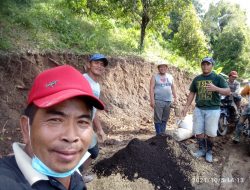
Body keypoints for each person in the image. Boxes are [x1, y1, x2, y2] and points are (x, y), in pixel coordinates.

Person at [0, 65, 104, 189]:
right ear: (26, 128)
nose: (71, 137)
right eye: (55, 120)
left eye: (82, 122)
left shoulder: (74, 176)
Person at [182, 57, 230, 163]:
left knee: (211, 133)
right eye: (203, 64)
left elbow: (227, 91)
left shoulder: (218, 78)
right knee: (198, 132)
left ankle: (209, 151)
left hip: (213, 110)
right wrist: (186, 107)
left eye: (208, 64)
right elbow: (192, 93)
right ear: (201, 66)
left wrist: (216, 89)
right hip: (199, 109)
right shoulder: (197, 79)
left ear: (212, 66)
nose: (205, 66)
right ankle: (202, 149)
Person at [80, 53, 108, 183]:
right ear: (89, 64)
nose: (99, 66)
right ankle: (72, 178)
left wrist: (100, 129)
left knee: (93, 151)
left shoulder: (97, 86)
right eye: (96, 63)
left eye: (102, 64)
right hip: (77, 123)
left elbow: (94, 110)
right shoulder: (83, 79)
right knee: (79, 150)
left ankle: (79, 176)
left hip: (87, 124)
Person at [149, 62, 177, 135]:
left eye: (164, 67)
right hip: (158, 100)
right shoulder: (155, 77)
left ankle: (162, 133)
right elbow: (151, 88)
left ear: (167, 68)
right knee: (158, 118)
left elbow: (173, 87)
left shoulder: (170, 77)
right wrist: (152, 100)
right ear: (158, 68)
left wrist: (175, 98)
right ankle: (158, 135)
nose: (162, 68)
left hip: (168, 101)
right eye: (160, 67)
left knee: (165, 118)